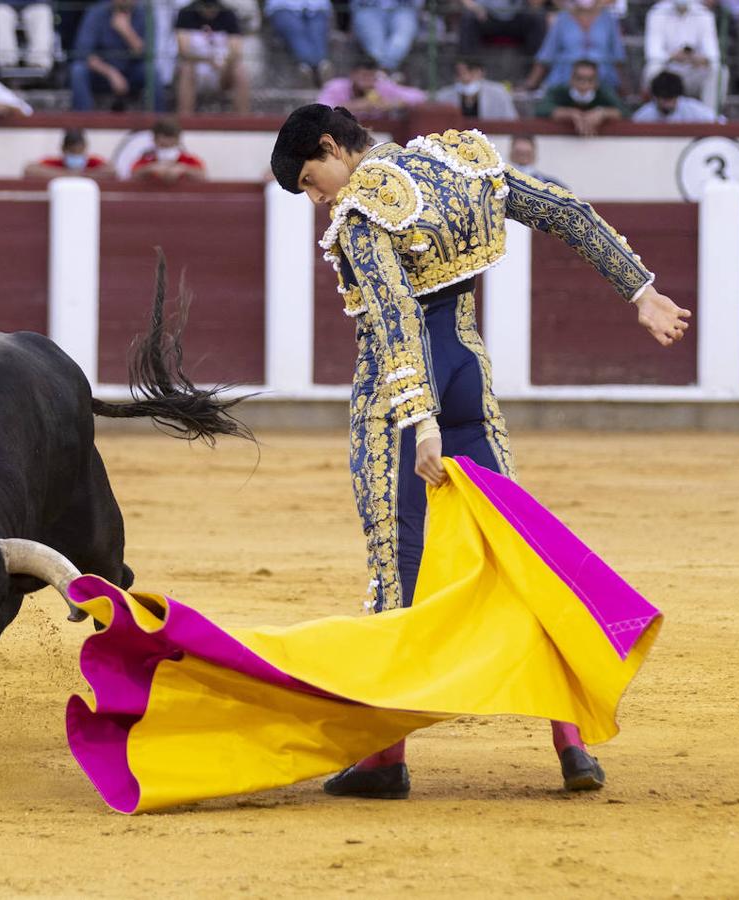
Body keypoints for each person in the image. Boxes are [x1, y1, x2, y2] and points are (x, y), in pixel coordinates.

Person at [269, 104, 691, 798]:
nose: (321, 201)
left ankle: (384, 758)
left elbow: (396, 316)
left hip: (404, 397)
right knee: (515, 551)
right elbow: (563, 209)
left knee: (398, 559)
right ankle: (569, 738)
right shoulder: (459, 161)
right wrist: (640, 291)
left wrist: (420, 422)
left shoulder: (363, 213)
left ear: (330, 147)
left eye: (314, 182)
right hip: (468, 371)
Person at [525, 0, 626, 94]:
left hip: (603, 81)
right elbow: (546, 55)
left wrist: (625, 90)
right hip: (564, 80)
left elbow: (618, 57)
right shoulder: (562, 19)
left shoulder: (609, 20)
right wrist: (530, 85)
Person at [70, 0, 153, 111]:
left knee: (152, 72)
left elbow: (147, 55)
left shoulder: (144, 13)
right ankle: (84, 121)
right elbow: (83, 53)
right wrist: (111, 73)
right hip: (101, 74)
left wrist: (127, 32)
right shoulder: (96, 12)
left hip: (131, 73)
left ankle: (159, 122)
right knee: (78, 70)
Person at [642, 0, 724, 108]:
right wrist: (672, 57)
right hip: (668, 72)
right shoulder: (656, 13)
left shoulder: (704, 14)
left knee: (718, 70)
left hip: (693, 72)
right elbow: (652, 53)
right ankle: (658, 115)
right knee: (652, 68)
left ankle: (711, 118)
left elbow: (713, 55)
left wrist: (700, 59)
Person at [174, 0, 250, 114]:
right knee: (186, 69)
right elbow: (184, 50)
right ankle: (185, 119)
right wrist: (209, 60)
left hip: (222, 70)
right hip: (195, 68)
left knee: (239, 70)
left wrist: (223, 62)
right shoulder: (186, 13)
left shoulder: (228, 14)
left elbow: (236, 50)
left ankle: (243, 121)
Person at [536, 58, 627, 135]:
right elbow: (540, 110)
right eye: (579, 79)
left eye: (590, 80)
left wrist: (603, 113)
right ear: (571, 79)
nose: (584, 85)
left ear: (596, 82)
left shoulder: (604, 93)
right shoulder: (558, 92)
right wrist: (570, 113)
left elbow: (625, 113)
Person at [316, 58, 427, 114]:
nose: (369, 81)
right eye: (364, 76)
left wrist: (392, 103)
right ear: (353, 75)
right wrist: (354, 106)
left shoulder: (382, 86)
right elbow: (320, 109)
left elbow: (419, 96)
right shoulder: (336, 87)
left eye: (372, 76)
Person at [265, 0, 333, 85]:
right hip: (282, 7)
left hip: (317, 7)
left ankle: (308, 67)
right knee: (295, 32)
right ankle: (318, 65)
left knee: (317, 33)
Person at [349, 0, 423, 74]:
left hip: (404, 8)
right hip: (367, 7)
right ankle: (384, 74)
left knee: (401, 39)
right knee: (375, 43)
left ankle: (382, 72)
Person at [432, 58, 518, 119]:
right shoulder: (444, 96)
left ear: (480, 72)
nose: (465, 78)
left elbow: (511, 120)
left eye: (470, 72)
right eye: (460, 73)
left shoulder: (498, 92)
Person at [457, 0, 547, 57]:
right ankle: (469, 69)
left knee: (538, 17)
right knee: (468, 17)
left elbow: (536, 3)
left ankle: (534, 73)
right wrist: (474, 7)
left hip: (517, 17)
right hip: (486, 16)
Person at [0, 0, 55, 75]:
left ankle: (38, 62)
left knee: (43, 11)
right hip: (4, 4)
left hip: (35, 4)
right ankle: (7, 62)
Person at [130, 118, 206, 183]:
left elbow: (202, 176)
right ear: (155, 141)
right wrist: (150, 168)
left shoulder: (188, 159)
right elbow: (132, 175)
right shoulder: (147, 159)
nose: (167, 147)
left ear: (177, 140)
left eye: (170, 145)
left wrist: (183, 169)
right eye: (163, 145)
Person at [24, 128, 113, 180]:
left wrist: (81, 174)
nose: (76, 155)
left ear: (85, 148)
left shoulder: (92, 162)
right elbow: (29, 169)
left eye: (79, 152)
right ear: (63, 149)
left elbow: (112, 171)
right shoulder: (56, 162)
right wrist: (67, 174)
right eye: (72, 152)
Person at [633, 69, 723, 121]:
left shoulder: (693, 109)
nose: (668, 104)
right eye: (664, 99)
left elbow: (720, 121)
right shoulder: (643, 116)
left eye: (671, 98)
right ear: (655, 97)